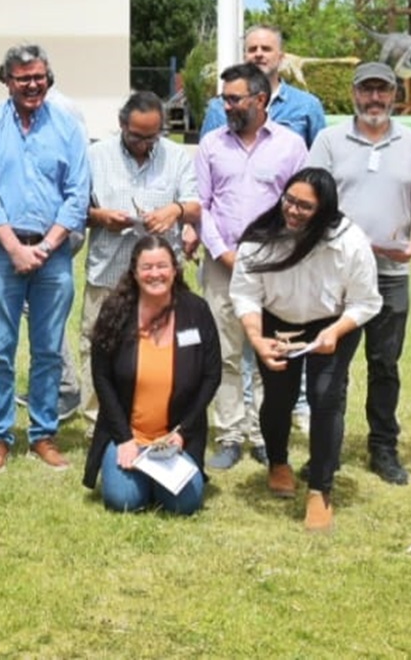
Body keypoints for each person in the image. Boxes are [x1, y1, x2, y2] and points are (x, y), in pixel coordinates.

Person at [307, 61, 411, 486]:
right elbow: (312, 198)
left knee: (385, 364)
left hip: (390, 276)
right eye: (368, 91)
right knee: (333, 365)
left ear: (395, 95)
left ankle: (384, 447)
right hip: (337, 276)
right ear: (354, 94)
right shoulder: (328, 140)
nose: (375, 99)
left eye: (383, 90)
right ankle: (326, 450)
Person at [231, 167, 381, 533]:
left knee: (325, 395)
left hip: (332, 324)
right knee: (278, 397)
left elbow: (365, 302)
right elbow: (246, 293)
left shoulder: (350, 242)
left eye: (305, 207)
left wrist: (335, 331)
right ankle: (278, 463)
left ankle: (320, 489)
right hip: (276, 321)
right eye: (290, 200)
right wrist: (256, 337)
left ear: (325, 211)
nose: (293, 211)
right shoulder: (259, 238)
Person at [0, 42, 89, 472]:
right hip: (2, 252)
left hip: (53, 253)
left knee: (48, 350)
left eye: (38, 77)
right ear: (7, 81)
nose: (32, 85)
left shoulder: (68, 128)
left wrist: (47, 245)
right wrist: (15, 248)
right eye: (23, 79)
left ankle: (43, 434)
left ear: (48, 79)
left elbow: (78, 193)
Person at [195, 62, 307, 471]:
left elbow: (300, 206)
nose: (225, 106)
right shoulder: (211, 145)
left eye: (233, 98)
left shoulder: (292, 146)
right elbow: (201, 206)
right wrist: (223, 252)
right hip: (222, 266)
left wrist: (279, 252)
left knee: (269, 353)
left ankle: (264, 434)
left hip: (275, 269)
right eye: (224, 98)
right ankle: (228, 434)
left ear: (260, 99)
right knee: (224, 352)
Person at [79, 91, 200, 429]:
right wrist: (100, 216)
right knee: (98, 343)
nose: (145, 144)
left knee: (161, 347)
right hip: (109, 268)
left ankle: (158, 414)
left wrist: (173, 211)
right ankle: (96, 421)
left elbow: (195, 205)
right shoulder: (95, 155)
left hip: (161, 274)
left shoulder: (176, 156)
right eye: (137, 136)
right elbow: (76, 209)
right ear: (121, 125)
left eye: (153, 136)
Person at [82, 237, 221, 515]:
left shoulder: (196, 311)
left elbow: (212, 375)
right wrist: (124, 438)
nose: (155, 274)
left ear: (174, 269)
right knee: (124, 501)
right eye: (147, 267)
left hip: (175, 438)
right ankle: (133, 475)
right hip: (128, 434)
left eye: (162, 266)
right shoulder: (115, 312)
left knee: (184, 504)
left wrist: (183, 433)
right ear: (134, 272)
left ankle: (158, 478)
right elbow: (102, 377)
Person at [199, 24, 327, 147]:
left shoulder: (306, 106)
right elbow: (206, 156)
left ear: (281, 57)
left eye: (266, 49)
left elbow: (317, 161)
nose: (258, 54)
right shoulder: (218, 108)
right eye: (252, 49)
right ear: (244, 57)